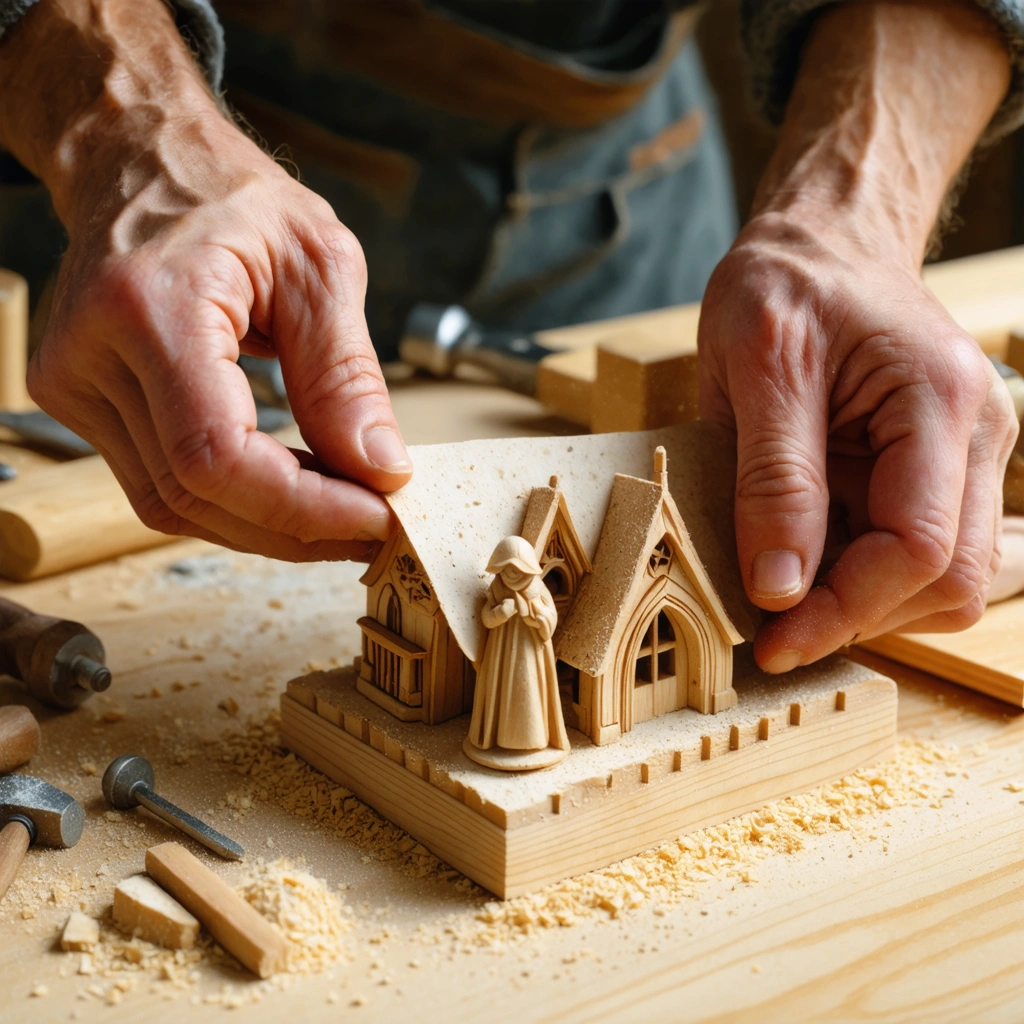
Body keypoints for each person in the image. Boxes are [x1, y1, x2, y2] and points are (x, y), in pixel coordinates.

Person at [0, 0, 1019, 676]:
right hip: (136, 172)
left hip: (613, 172)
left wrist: (852, 211)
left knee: (724, 466)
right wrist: (124, 120)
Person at [465, 536, 569, 769]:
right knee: (501, 690)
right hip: (500, 653)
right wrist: (501, 612)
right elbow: (487, 618)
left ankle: (531, 739)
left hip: (530, 653)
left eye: (516, 569)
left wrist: (534, 616)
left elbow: (550, 618)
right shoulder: (497, 588)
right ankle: (498, 737)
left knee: (528, 689)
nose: (511, 574)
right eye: (505, 569)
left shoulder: (537, 589)